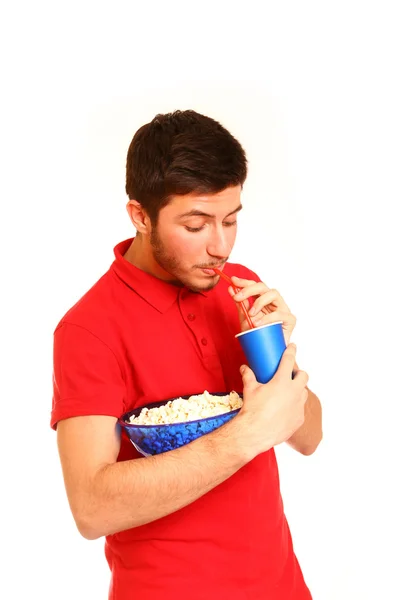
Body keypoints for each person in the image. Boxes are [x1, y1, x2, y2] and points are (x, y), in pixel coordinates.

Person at [51, 109, 322, 600]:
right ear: (139, 215)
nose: (220, 246)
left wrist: (270, 348)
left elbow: (309, 436)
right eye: (196, 225)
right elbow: (91, 508)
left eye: (231, 220)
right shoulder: (88, 329)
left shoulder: (235, 285)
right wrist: (244, 437)